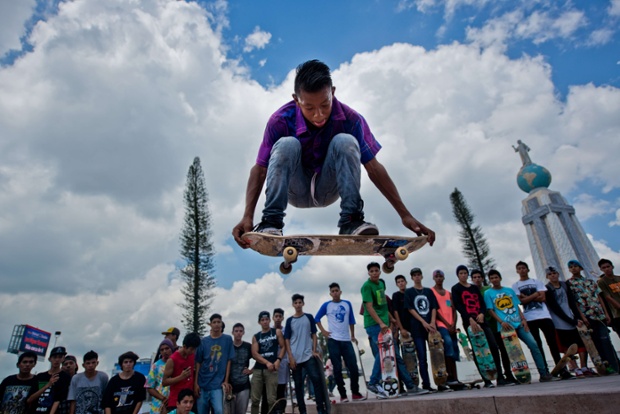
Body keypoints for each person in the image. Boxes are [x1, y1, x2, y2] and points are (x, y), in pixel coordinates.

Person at [232, 59, 435, 243]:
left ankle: (351, 220)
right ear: (296, 100)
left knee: (345, 141)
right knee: (287, 144)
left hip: (328, 188)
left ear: (333, 93)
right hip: (294, 188)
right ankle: (272, 222)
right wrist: (247, 216)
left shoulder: (351, 120)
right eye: (309, 108)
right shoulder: (280, 121)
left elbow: (374, 168)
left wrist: (405, 214)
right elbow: (259, 170)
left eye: (325, 105)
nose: (318, 115)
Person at [361, 262, 429, 398]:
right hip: (374, 325)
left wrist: (391, 319)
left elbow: (383, 306)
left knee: (396, 357)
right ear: (368, 273)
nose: (374, 273)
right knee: (382, 355)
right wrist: (380, 323)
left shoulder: (380, 284)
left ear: (380, 272)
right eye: (372, 271)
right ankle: (373, 382)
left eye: (376, 270)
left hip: (385, 325)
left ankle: (410, 386)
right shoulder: (366, 287)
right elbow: (369, 307)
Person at [484, 269, 553, 382]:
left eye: (496, 277)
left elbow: (516, 306)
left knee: (534, 344)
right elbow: (491, 310)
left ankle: (543, 373)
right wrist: (501, 322)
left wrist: (524, 319)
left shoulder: (509, 290)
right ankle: (518, 376)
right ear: (490, 280)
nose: (494, 280)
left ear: (500, 278)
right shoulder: (488, 293)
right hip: (506, 327)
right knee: (512, 353)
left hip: (519, 324)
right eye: (492, 278)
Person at [451, 265, 504, 388]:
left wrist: (481, 314)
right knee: (478, 349)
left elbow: (482, 303)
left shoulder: (474, 288)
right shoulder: (456, 288)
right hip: (469, 322)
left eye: (465, 273)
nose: (463, 275)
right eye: (461, 273)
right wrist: (469, 319)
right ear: (458, 275)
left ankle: (500, 376)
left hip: (481, 320)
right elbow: (459, 305)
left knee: (493, 346)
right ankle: (487, 379)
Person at [512, 261, 565, 378]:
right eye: (519, 268)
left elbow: (542, 298)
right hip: (529, 318)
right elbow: (520, 302)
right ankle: (544, 371)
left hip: (544, 316)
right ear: (517, 271)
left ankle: (562, 369)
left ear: (527, 269)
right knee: (537, 345)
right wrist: (535, 294)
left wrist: (528, 297)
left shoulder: (537, 282)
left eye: (523, 268)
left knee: (552, 343)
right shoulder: (515, 286)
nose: (522, 270)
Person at [566, 259, 619, 374]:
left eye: (576, 266)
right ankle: (606, 367)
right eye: (571, 267)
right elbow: (574, 302)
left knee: (606, 340)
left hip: (599, 314)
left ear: (581, 268)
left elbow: (599, 297)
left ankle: (616, 365)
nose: (573, 268)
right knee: (596, 342)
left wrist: (605, 313)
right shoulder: (569, 284)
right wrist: (582, 317)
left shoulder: (590, 281)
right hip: (587, 316)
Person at [315, 283, 364, 402]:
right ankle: (343, 394)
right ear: (330, 293)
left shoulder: (346, 304)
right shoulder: (327, 305)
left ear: (340, 292)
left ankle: (355, 392)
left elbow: (351, 320)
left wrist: (353, 335)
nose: (335, 293)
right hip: (333, 340)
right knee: (336, 368)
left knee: (353, 366)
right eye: (333, 291)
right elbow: (316, 318)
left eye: (337, 290)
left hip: (346, 340)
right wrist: (324, 332)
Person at [471, 270, 517, 385]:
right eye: (474, 277)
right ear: (471, 279)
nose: (477, 279)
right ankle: (497, 376)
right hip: (483, 325)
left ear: (482, 278)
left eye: (479, 277)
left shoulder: (487, 290)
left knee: (504, 349)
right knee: (491, 351)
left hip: (496, 324)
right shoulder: (472, 291)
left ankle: (508, 374)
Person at [284, 294, 327, 414]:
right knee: (298, 386)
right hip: (295, 358)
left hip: (308, 355)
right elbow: (287, 339)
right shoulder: (290, 320)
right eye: (296, 303)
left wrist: (314, 350)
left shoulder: (309, 317)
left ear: (303, 303)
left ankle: (320, 408)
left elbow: (314, 334)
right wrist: (290, 357)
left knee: (316, 380)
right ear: (293, 305)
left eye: (300, 302)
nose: (298, 305)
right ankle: (302, 411)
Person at [544, 266, 590, 376]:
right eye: (550, 274)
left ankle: (584, 367)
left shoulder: (565, 285)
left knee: (582, 345)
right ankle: (575, 368)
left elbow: (572, 303)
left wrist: (578, 318)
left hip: (572, 320)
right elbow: (556, 309)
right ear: (547, 276)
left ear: (558, 274)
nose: (553, 275)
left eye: (554, 273)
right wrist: (572, 321)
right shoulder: (547, 289)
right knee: (568, 348)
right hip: (560, 323)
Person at [431, 269, 464, 389]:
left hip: (451, 325)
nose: (439, 278)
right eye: (437, 276)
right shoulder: (432, 292)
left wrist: (453, 323)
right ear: (434, 278)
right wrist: (445, 323)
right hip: (441, 324)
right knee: (448, 345)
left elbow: (453, 309)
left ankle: (455, 377)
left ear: (444, 278)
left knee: (454, 348)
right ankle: (448, 376)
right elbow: (435, 309)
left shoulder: (448, 293)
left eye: (441, 276)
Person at [194, 315, 234, 414]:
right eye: (214, 322)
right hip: (203, 383)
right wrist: (196, 383)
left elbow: (229, 360)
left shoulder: (228, 339)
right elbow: (198, 362)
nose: (216, 324)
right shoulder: (203, 341)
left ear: (221, 324)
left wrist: (226, 380)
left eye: (218, 322)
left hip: (217, 384)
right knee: (202, 411)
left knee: (219, 410)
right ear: (210, 324)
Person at [251, 311, 285, 414]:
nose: (265, 322)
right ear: (259, 322)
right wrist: (266, 362)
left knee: (271, 399)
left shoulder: (276, 332)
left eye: (266, 319)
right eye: (262, 320)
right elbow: (254, 354)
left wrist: (278, 360)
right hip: (258, 369)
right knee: (255, 399)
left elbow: (283, 347)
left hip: (272, 369)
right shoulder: (256, 336)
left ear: (270, 320)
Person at [163, 333, 201, 413]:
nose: (193, 351)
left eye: (195, 349)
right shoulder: (172, 359)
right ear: (184, 347)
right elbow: (164, 382)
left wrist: (195, 384)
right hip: (176, 401)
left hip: (190, 400)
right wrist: (181, 377)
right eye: (191, 349)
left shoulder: (192, 356)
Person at [31, 346, 71, 414]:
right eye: (55, 357)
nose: (57, 360)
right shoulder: (40, 376)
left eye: (60, 357)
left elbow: (58, 399)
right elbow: (31, 398)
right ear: (50, 359)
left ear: (63, 359)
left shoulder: (65, 377)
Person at [228, 323, 252, 414]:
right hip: (230, 385)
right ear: (232, 332)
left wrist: (251, 370)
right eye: (236, 331)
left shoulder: (248, 346)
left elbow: (258, 358)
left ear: (243, 333)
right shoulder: (229, 346)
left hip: (244, 384)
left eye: (240, 331)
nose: (238, 333)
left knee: (241, 411)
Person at [146, 340, 174, 414]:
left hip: (175, 402)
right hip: (159, 403)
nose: (165, 351)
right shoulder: (156, 366)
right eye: (162, 350)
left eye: (167, 348)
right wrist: (163, 398)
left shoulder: (177, 362)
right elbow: (149, 387)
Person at [597, 258, 620, 339]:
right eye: (604, 268)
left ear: (612, 267)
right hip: (616, 314)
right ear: (601, 269)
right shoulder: (602, 282)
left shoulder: (618, 278)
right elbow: (608, 297)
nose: (607, 269)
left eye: (608, 266)